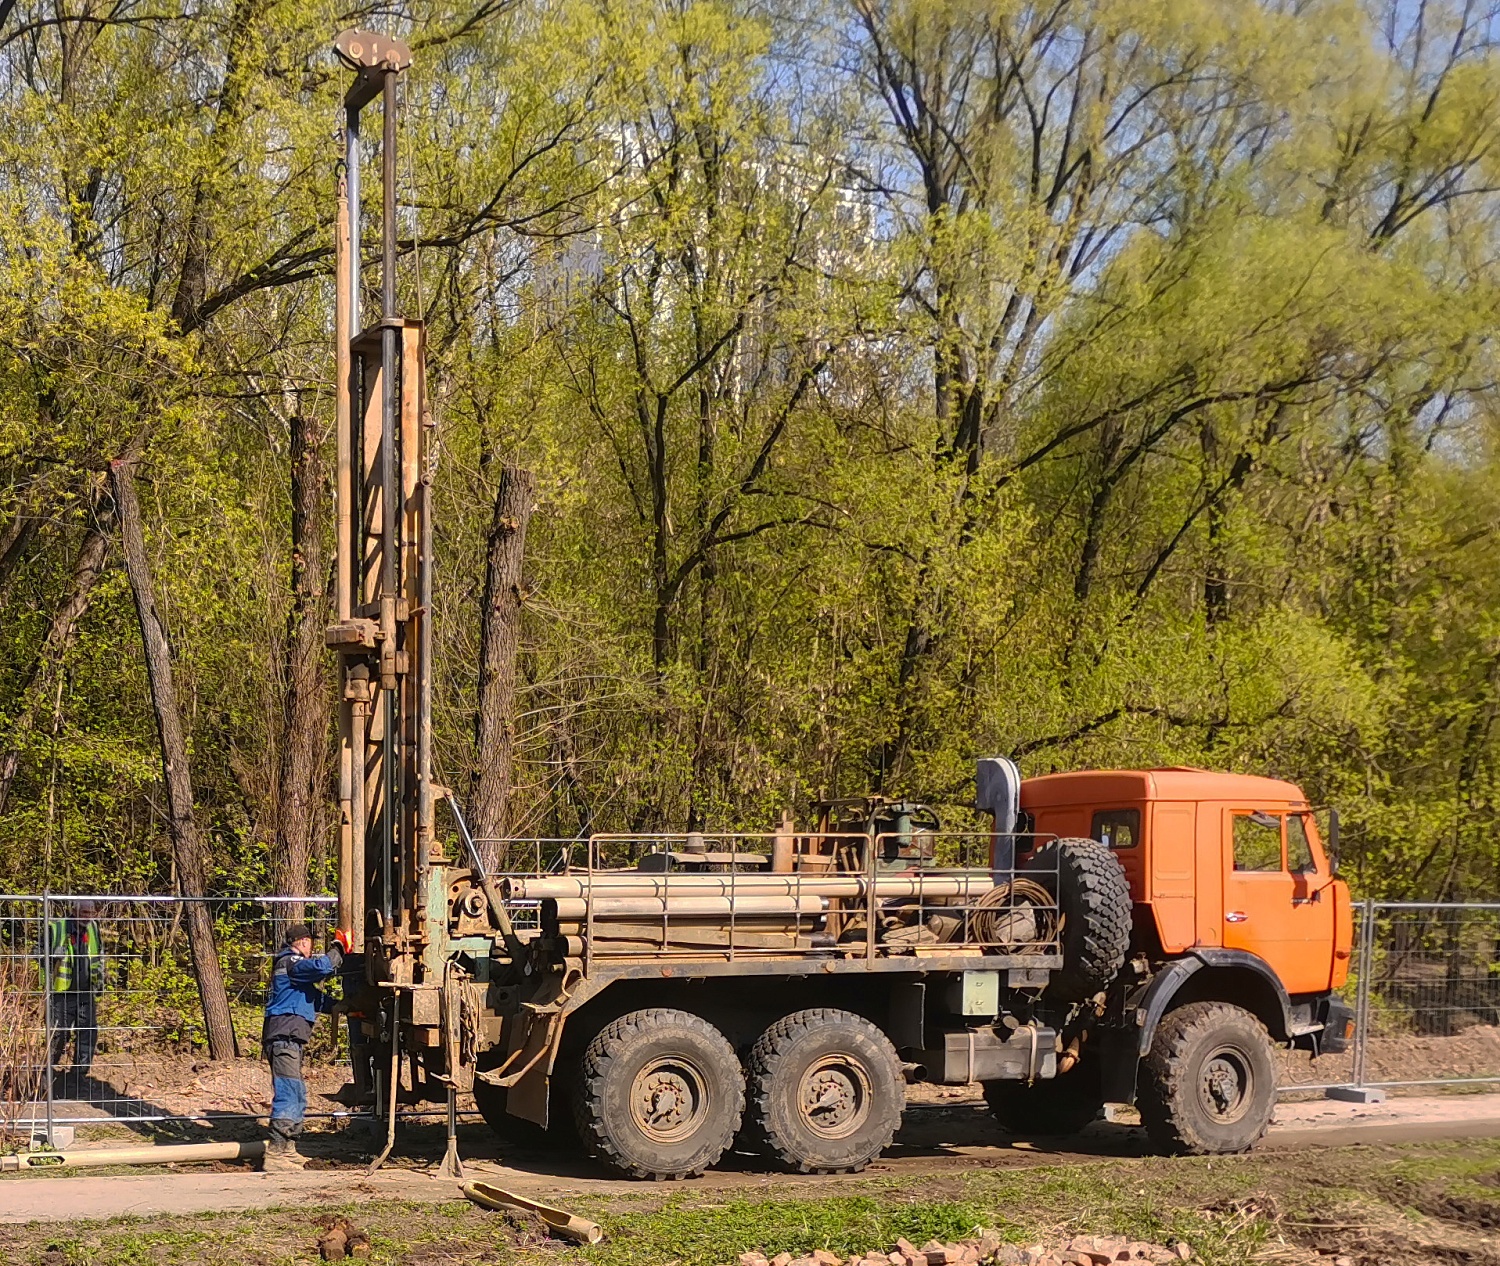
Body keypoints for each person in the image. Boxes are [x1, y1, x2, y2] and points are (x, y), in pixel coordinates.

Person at [261, 922, 349, 1171]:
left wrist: (345, 1006)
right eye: (310, 942)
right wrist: (339, 948)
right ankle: (276, 1155)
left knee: (298, 1094)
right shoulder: (290, 962)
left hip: (291, 1039)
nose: (312, 947)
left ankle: (288, 1149)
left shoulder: (296, 973)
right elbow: (322, 967)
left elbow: (315, 998)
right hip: (284, 1038)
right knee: (288, 1092)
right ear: (302, 942)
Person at [46, 899, 102, 1084]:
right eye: (85, 912)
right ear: (74, 911)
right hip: (62, 993)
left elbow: (99, 954)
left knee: (88, 1032)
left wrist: (100, 983)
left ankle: (79, 1077)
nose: (88, 917)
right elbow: (37, 954)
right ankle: (47, 1074)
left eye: (91, 913)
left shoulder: (93, 928)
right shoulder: (57, 928)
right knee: (59, 1034)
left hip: (86, 991)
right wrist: (52, 956)